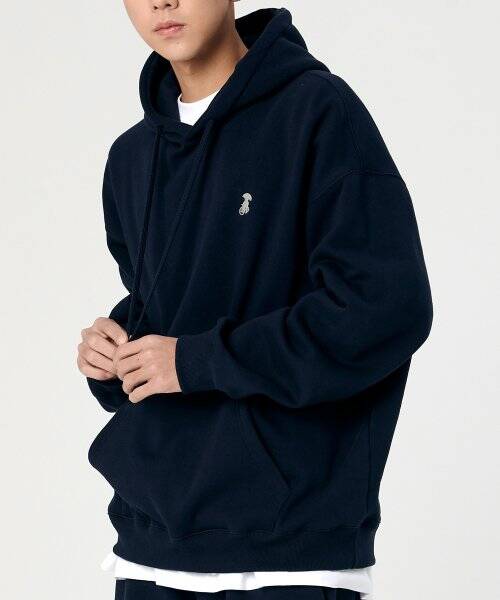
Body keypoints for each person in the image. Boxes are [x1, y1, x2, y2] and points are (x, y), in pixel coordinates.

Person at [77, 2, 433, 599]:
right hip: (149, 551)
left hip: (288, 555)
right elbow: (165, 307)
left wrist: (195, 361)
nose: (162, 0)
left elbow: (383, 308)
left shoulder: (317, 112)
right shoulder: (132, 158)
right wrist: (115, 354)